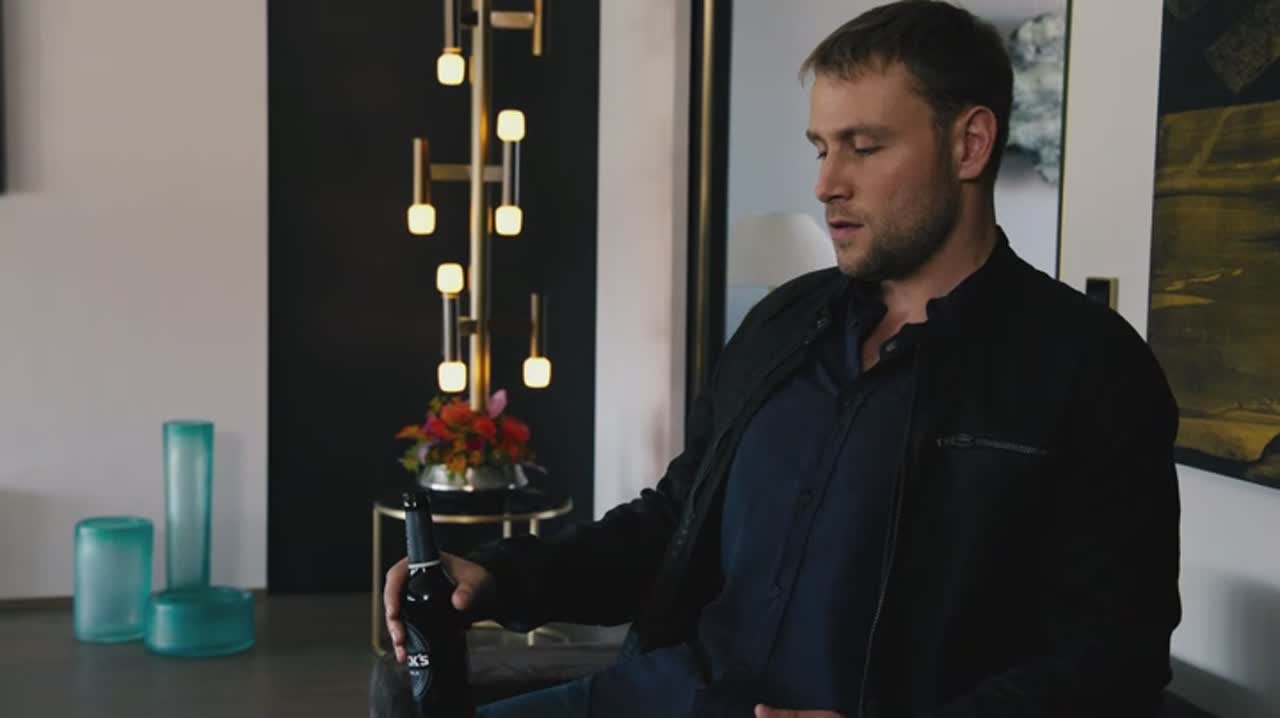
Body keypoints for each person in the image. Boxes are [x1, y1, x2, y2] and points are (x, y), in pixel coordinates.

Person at [378, 1, 1181, 716]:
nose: (827, 183)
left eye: (864, 147)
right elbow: (674, 521)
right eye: (821, 148)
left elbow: (1112, 660)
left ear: (969, 144)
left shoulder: (1087, 367)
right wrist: (498, 578)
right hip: (670, 695)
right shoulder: (783, 324)